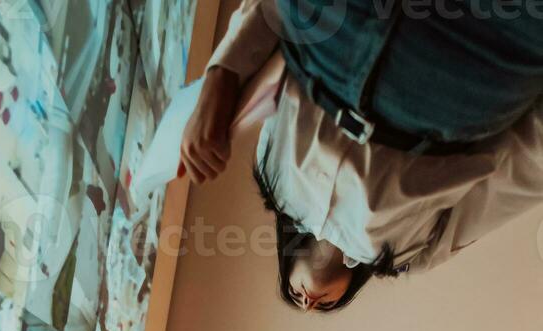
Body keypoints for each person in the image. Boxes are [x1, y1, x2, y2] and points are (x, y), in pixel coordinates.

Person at [179, 0, 543, 312]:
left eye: (293, 294)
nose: (308, 302)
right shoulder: (412, 257)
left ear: (285, 263)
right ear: (347, 295)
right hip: (475, 63)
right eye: (324, 306)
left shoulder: (271, 174)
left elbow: (279, 21)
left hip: (336, 36)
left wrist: (221, 73)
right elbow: (517, 176)